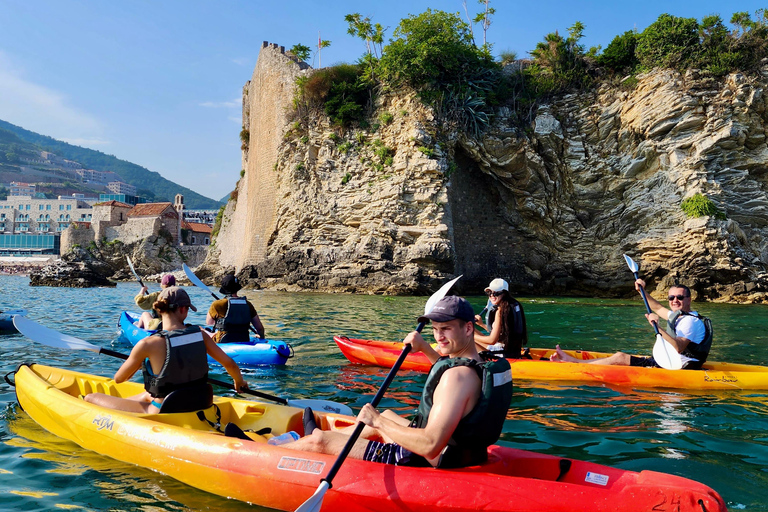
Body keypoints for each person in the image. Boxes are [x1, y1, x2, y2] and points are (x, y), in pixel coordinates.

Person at [280, 296, 513, 468]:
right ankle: (323, 437)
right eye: (435, 329)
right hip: (465, 453)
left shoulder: (458, 377)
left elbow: (430, 444)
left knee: (322, 441)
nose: (439, 336)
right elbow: (450, 377)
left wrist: (378, 421)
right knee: (390, 414)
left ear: (469, 327)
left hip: (421, 458)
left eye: (446, 329)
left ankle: (274, 448)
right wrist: (424, 349)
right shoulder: (480, 363)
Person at [85, 287, 247, 413]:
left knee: (91, 397)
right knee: (148, 395)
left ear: (159, 309)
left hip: (163, 409)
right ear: (183, 309)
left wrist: (139, 364)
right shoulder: (200, 335)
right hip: (200, 402)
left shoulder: (147, 344)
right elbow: (230, 364)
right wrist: (239, 382)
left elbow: (119, 379)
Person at [551, 281, 712, 370]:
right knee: (623, 357)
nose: (674, 300)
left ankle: (574, 365)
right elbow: (656, 307)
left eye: (679, 297)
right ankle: (575, 362)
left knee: (620, 357)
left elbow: (678, 347)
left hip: (680, 367)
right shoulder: (680, 316)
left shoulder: (689, 321)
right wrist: (641, 290)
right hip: (671, 362)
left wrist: (657, 326)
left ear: (689, 299)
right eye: (671, 297)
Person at [473, 278, 528, 358]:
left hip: (501, 353)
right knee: (472, 330)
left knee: (466, 339)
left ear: (504, 293)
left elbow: (492, 340)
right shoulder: (513, 306)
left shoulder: (500, 311)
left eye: (496, 293)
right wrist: (481, 325)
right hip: (513, 351)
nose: (492, 295)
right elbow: (501, 333)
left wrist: (469, 336)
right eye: (489, 293)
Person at [206, 274, 265, 342]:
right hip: (244, 338)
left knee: (201, 329)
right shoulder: (248, 304)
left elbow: (209, 322)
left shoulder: (217, 304)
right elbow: (260, 328)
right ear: (237, 289)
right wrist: (261, 339)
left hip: (222, 340)